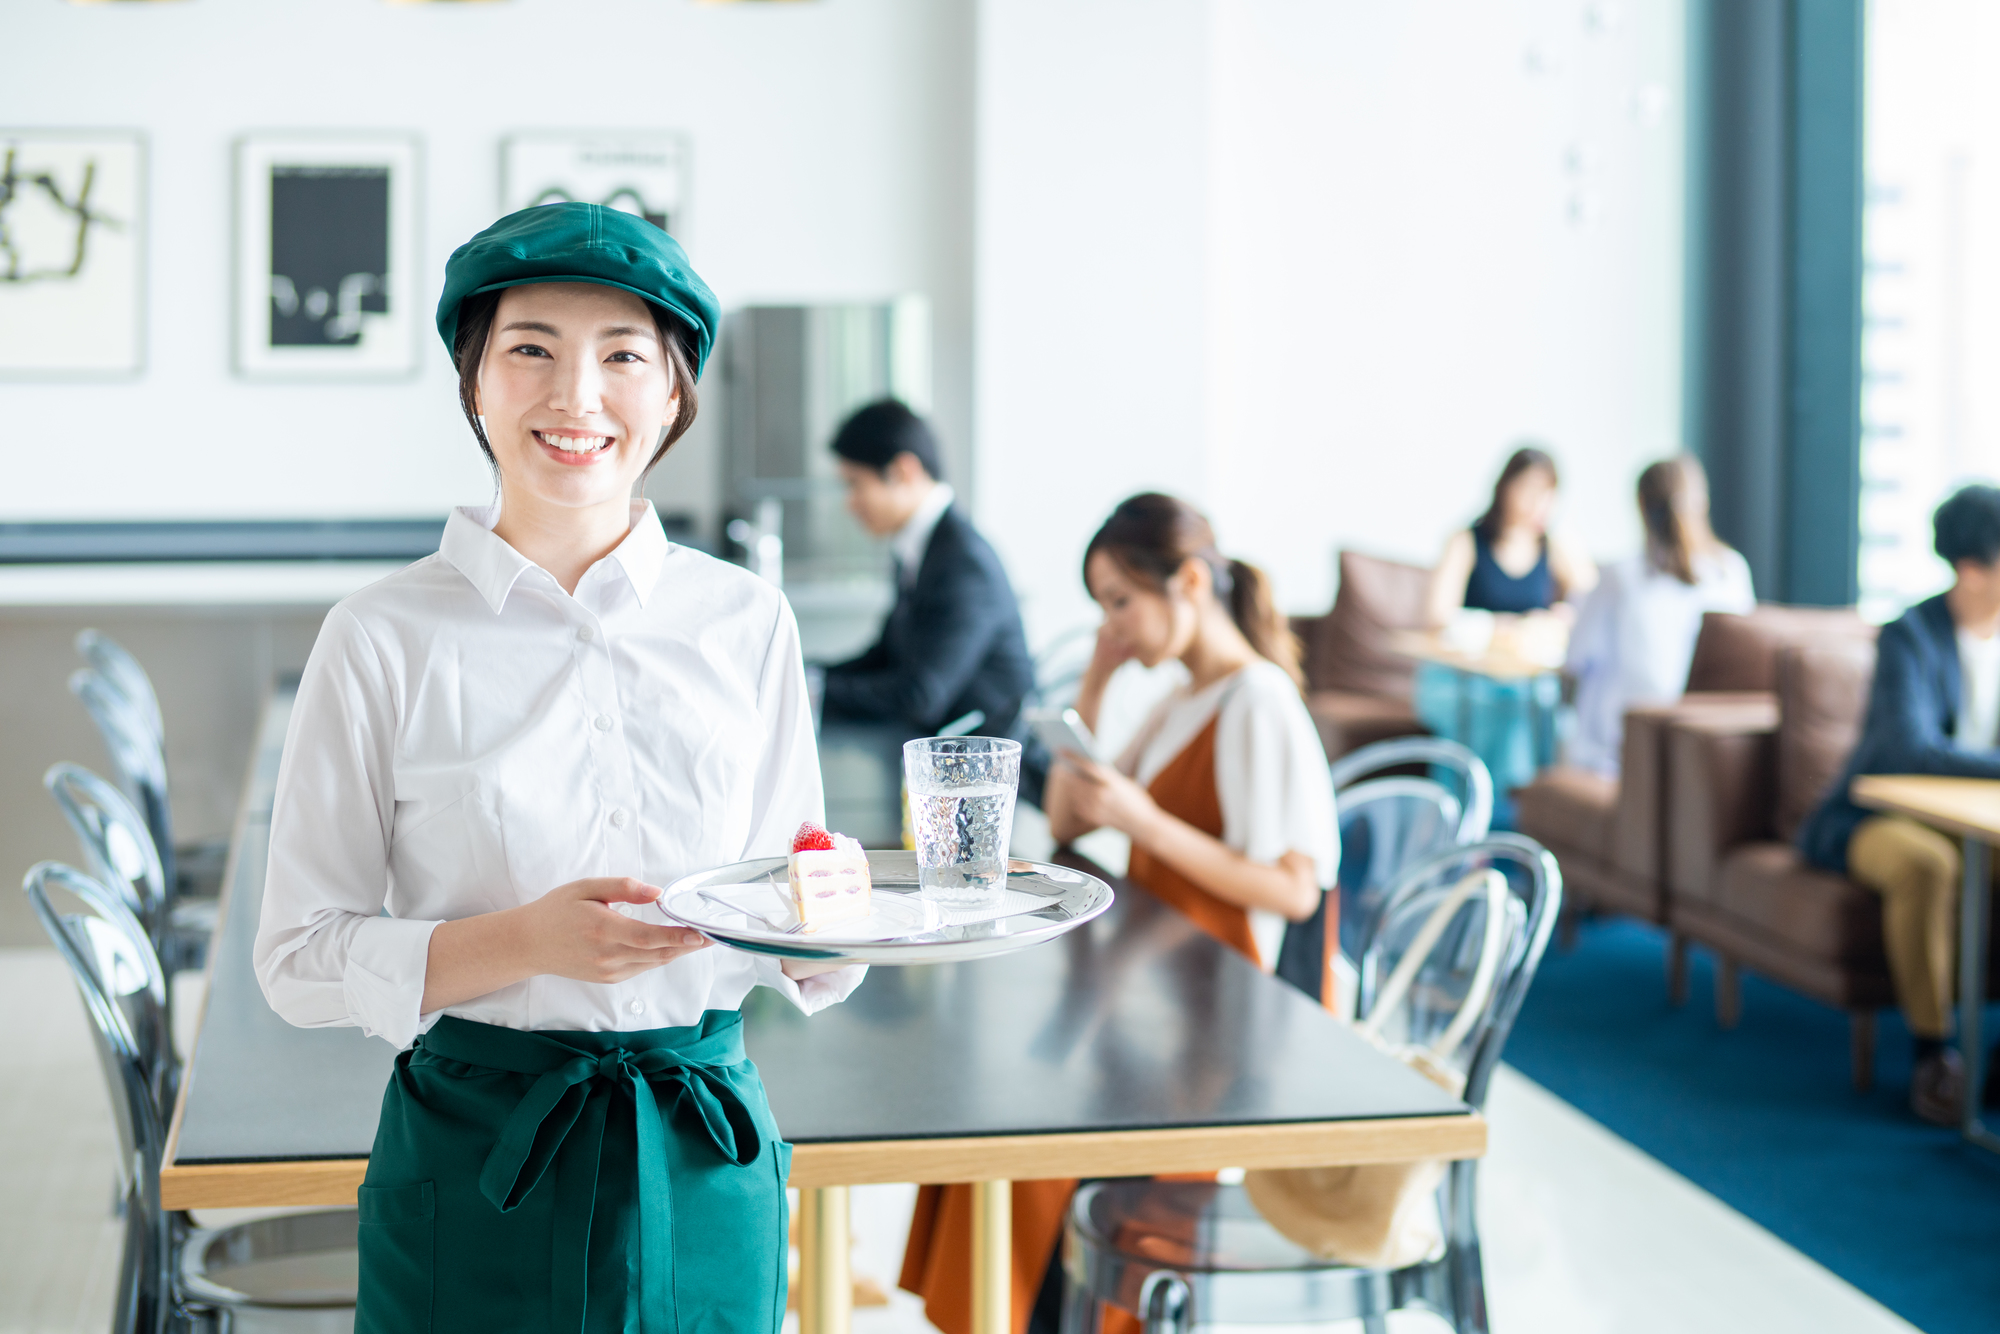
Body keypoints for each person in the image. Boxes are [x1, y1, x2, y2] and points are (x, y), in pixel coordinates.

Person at [254, 203, 863, 1332]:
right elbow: (296, 958)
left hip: (704, 1141)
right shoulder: (380, 634)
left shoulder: (746, 621)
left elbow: (794, 906)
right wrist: (526, 942)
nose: (576, 396)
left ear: (675, 395)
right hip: (479, 1150)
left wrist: (836, 919)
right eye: (529, 348)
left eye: (624, 356)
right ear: (474, 384)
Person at [899, 493, 1338, 1334]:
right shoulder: (1184, 698)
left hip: (1218, 1020)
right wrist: (1099, 679)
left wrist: (1144, 821)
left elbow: (1292, 889)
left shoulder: (1257, 700)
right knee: (986, 1101)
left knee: (1012, 1125)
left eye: (1123, 602)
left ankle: (1027, 1311)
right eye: (1103, 607)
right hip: (1162, 987)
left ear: (1191, 583)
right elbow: (1069, 818)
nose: (1115, 623)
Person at [1801, 484, 2000, 1127]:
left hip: (1973, 820)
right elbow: (1912, 750)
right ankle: (1933, 1054)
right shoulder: (1910, 635)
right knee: (1930, 868)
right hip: (1879, 816)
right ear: (1971, 568)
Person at [821, 399, 1035, 742]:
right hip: (940, 760)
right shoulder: (921, 546)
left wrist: (814, 689)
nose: (850, 502)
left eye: (855, 484)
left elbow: (920, 696)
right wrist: (807, 676)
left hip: (985, 776)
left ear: (904, 471)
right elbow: (886, 656)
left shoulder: (965, 562)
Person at [1563, 456, 1755, 775]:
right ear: (1702, 501)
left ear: (1640, 506)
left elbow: (1575, 659)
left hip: (1617, 753)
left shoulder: (1619, 577)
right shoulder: (1732, 571)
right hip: (1703, 745)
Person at [1425, 444, 1597, 624]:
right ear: (1505, 488)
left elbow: (1591, 600)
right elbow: (1438, 616)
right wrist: (1510, 626)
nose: (1539, 502)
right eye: (1531, 489)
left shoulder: (1554, 545)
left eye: (1548, 492)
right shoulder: (1465, 541)